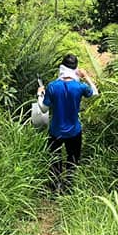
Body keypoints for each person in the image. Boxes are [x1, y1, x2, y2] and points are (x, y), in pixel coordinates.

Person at [37, 53, 98, 192]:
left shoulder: (52, 86)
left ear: (62, 67)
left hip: (55, 131)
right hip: (74, 131)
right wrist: (86, 76)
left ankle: (54, 188)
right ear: (75, 69)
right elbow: (95, 93)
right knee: (73, 159)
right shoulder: (80, 87)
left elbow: (43, 108)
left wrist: (40, 94)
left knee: (54, 160)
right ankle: (69, 187)